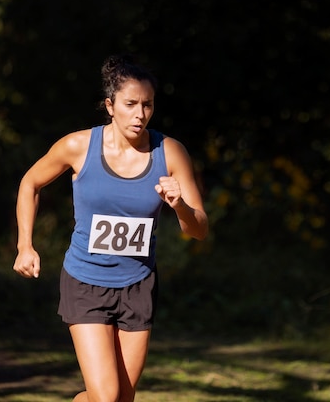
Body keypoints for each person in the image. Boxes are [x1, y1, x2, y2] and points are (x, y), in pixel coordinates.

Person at [13, 54, 208, 402]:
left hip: (138, 285)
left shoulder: (170, 152)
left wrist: (179, 205)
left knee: (120, 400)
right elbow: (30, 183)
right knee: (106, 397)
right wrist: (25, 245)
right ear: (110, 105)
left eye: (147, 105)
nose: (140, 114)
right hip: (85, 282)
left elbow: (199, 230)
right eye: (130, 104)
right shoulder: (79, 146)